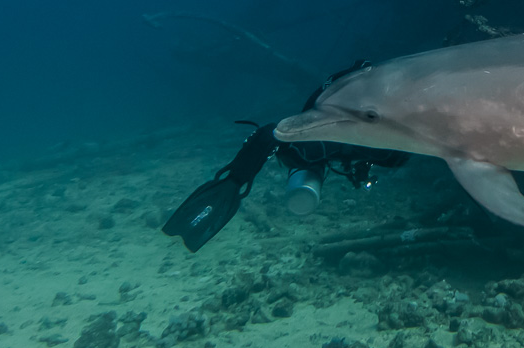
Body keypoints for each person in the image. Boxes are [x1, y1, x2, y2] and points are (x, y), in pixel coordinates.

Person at [162, 60, 409, 253]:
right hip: (322, 140)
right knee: (302, 154)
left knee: (301, 154)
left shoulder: (375, 128)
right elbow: (286, 131)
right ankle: (231, 186)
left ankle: (232, 185)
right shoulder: (330, 121)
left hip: (331, 142)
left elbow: (281, 133)